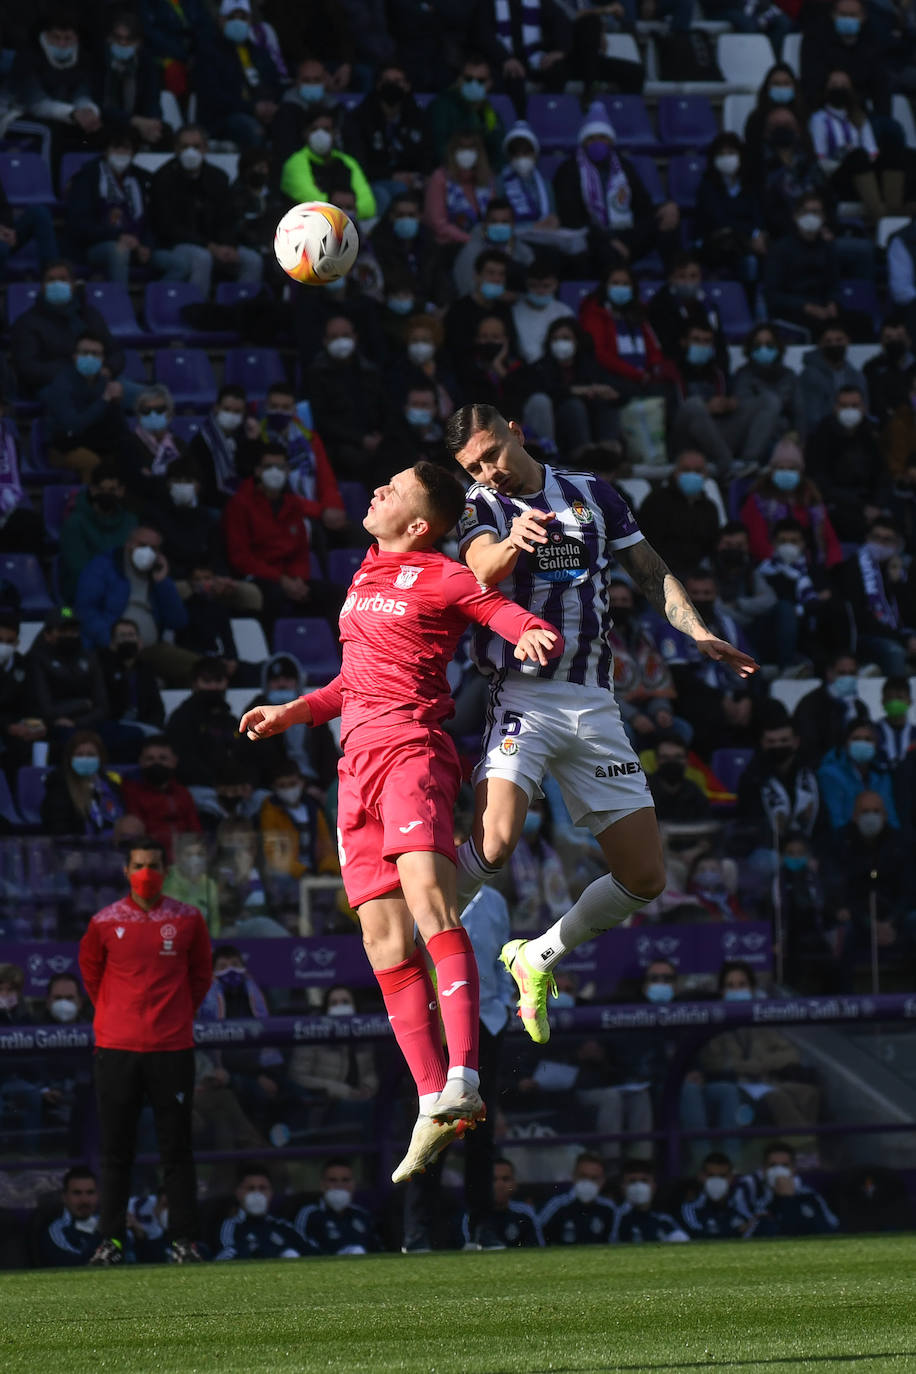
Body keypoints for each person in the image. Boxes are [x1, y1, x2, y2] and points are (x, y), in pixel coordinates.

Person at [238, 461, 563, 1184]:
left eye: (391, 489)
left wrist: (532, 629)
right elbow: (352, 681)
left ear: (419, 524)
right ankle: (430, 1098)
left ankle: (466, 1076)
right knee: (384, 943)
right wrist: (292, 711)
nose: (375, 490)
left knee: (431, 906)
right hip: (353, 769)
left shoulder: (440, 573)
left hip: (411, 751)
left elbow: (494, 608)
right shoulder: (363, 573)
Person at [446, 404, 758, 1046]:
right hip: (521, 695)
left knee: (645, 877)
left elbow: (648, 571)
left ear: (515, 432)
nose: (487, 471)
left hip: (594, 702)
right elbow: (478, 571)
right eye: (473, 466)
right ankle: (416, 932)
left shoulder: (592, 494)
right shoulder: (479, 508)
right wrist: (513, 543)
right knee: (496, 839)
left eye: (491, 454)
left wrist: (697, 631)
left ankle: (535, 957)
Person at [78, 835, 211, 1265]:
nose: (146, 874)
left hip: (171, 1047)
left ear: (165, 870)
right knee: (117, 1150)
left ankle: (183, 1240)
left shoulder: (189, 919)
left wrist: (171, 1017)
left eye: (153, 864)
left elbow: (200, 976)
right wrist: (119, 1016)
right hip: (116, 1048)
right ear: (125, 870)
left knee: (177, 1148)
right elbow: (92, 977)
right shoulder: (103, 922)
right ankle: (111, 1240)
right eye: (138, 865)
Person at [554, 102, 679, 274]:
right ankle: (616, 289)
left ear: (610, 141)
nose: (597, 143)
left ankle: (677, 279)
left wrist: (665, 207)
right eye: (591, 138)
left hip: (625, 232)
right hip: (592, 237)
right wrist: (609, 240)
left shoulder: (623, 167)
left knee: (667, 221)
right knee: (607, 252)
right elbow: (572, 217)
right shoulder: (569, 170)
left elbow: (642, 206)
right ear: (583, 142)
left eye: (602, 138)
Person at [223, 446, 340, 627]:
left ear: (287, 470)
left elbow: (300, 551)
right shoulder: (240, 504)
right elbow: (241, 558)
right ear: (258, 470)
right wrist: (281, 580)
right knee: (274, 596)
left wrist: (298, 580)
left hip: (290, 578)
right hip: (257, 576)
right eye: (269, 466)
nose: (275, 472)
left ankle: (338, 651)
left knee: (335, 594)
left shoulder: (292, 504)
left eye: (280, 467)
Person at [149, 125, 263, 297]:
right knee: (202, 258)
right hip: (176, 245)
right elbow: (167, 227)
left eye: (196, 147)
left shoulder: (218, 177)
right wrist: (209, 247)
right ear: (176, 149)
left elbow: (227, 218)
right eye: (184, 147)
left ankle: (239, 312)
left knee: (252, 260)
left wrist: (228, 245)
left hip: (215, 245)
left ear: (206, 149)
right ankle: (195, 312)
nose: (190, 152)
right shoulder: (163, 178)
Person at [75, 525, 195, 687]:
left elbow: (178, 621)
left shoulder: (158, 575)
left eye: (154, 548)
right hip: (112, 648)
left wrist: (162, 582)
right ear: (129, 544)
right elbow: (85, 611)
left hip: (151, 649)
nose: (148, 552)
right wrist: (111, 640)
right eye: (142, 545)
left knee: (203, 669)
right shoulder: (102, 567)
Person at [65, 128, 156, 286]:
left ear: (133, 152)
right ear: (106, 151)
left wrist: (146, 245)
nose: (121, 153)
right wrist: (117, 236)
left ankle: (157, 303)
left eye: (126, 148)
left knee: (177, 264)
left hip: (137, 245)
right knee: (119, 251)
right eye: (116, 148)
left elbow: (151, 220)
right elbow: (80, 224)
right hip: (96, 245)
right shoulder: (88, 177)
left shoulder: (141, 179)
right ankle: (121, 305)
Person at [306, 316, 389, 481]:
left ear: (355, 337)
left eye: (345, 335)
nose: (341, 341)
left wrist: (381, 436)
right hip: (339, 444)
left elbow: (385, 408)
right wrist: (360, 439)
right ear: (325, 341)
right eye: (334, 337)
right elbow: (321, 419)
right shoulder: (316, 374)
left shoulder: (370, 371)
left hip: (375, 439)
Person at [42, 332, 132, 481]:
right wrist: (104, 400)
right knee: (92, 463)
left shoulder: (103, 383)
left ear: (103, 359)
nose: (90, 357)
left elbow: (118, 425)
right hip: (64, 447)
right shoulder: (62, 384)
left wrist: (115, 403)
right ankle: (90, 502)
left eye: (95, 354)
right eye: (85, 353)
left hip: (96, 442)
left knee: (126, 456)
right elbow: (72, 425)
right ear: (75, 356)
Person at [740, 439, 843, 567]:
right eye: (781, 468)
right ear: (771, 471)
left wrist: (833, 567)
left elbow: (829, 538)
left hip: (811, 565)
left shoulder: (812, 500)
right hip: (770, 565)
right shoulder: (758, 500)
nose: (786, 472)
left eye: (792, 468)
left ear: (800, 472)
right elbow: (756, 541)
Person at [195, 1, 281, 149]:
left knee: (288, 122)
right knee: (251, 129)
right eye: (232, 17)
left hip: (262, 113)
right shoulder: (208, 53)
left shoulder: (259, 52)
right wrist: (252, 108)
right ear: (221, 20)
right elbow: (212, 96)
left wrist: (270, 105)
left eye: (243, 18)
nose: (238, 22)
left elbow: (274, 83)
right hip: (224, 118)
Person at [805, 384, 886, 541]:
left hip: (869, 501)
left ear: (863, 407)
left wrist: (877, 505)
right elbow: (819, 480)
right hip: (837, 502)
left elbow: (882, 474)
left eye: (854, 405)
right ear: (835, 407)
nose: (850, 410)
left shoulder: (871, 432)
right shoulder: (821, 434)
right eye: (844, 406)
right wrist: (861, 506)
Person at [840, 517, 913, 676]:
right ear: (867, 538)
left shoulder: (900, 572)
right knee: (894, 652)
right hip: (867, 636)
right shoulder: (854, 567)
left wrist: (898, 584)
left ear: (896, 545)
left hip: (899, 634)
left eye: (887, 540)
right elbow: (859, 615)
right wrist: (904, 640)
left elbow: (909, 615)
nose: (880, 543)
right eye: (876, 538)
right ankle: (895, 696)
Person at [281, 105, 377, 221]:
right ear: (305, 133)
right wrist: (348, 210)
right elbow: (313, 203)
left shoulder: (348, 162)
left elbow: (369, 206)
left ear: (335, 133)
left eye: (326, 129)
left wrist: (340, 213)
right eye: (314, 129)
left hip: (348, 224)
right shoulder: (295, 163)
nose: (320, 134)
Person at [695, 134, 766, 285]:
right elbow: (719, 220)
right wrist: (750, 234)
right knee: (747, 258)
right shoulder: (707, 186)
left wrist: (758, 233)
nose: (727, 158)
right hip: (718, 244)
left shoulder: (750, 185)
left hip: (749, 242)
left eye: (731, 153)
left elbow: (758, 215)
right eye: (721, 154)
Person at [59, 464, 137, 604]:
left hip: (123, 598)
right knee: (62, 616)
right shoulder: (74, 523)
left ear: (121, 491)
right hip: (77, 601)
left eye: (112, 490)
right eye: (101, 489)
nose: (107, 494)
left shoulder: (131, 522)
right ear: (93, 490)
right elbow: (78, 569)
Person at [28, 611, 109, 742]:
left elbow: (102, 706)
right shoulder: (37, 659)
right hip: (51, 725)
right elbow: (45, 709)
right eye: (63, 630)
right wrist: (83, 704)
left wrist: (78, 722)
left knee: (133, 734)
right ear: (47, 634)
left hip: (86, 722)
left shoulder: (89, 658)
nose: (70, 635)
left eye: (74, 630)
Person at [637, 451, 722, 577]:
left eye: (698, 471)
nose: (692, 475)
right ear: (676, 472)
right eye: (686, 470)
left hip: (698, 574)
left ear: (705, 475)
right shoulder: (656, 501)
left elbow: (711, 545)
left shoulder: (709, 507)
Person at [121, 736, 202, 860]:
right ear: (141, 762)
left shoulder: (183, 793)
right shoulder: (131, 792)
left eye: (163, 758)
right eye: (150, 759)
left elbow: (195, 831)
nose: (156, 763)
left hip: (186, 858)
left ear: (174, 762)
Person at [738, 1143, 840, 1237]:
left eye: (785, 1165)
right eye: (773, 1165)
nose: (778, 1170)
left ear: (793, 1169)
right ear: (764, 1169)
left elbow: (829, 1228)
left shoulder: (809, 1196)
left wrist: (789, 1199)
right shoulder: (754, 1196)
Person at [216, 1166, 311, 1260]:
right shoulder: (230, 1226)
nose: (257, 1194)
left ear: (271, 1192)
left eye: (262, 1188)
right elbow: (225, 1256)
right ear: (238, 1192)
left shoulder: (281, 1225)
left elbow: (312, 1250)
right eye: (250, 1188)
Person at [818, 721, 899, 830]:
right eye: (856, 739)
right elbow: (835, 819)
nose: (862, 744)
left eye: (868, 739)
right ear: (845, 743)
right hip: (846, 840)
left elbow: (890, 816)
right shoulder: (829, 774)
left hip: (880, 841)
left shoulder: (882, 776)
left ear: (876, 745)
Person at [428, 55, 505, 169]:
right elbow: (438, 149)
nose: (474, 84)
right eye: (468, 79)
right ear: (459, 79)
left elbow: (498, 151)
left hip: (481, 177)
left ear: (489, 84)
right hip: (449, 172)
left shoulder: (489, 112)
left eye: (480, 81)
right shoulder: (442, 106)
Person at [295, 1159, 381, 1255]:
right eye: (333, 1180)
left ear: (353, 1184)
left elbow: (378, 1250)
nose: (339, 1185)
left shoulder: (362, 1215)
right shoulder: (309, 1214)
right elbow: (301, 1248)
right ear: (322, 1184)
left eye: (345, 1180)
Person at [424, 131, 496, 248]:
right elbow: (438, 224)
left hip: (484, 242)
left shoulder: (487, 178)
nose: (467, 153)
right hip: (451, 245)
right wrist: (469, 240)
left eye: (471, 148)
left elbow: (494, 217)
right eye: (462, 148)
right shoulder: (440, 178)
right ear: (452, 152)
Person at [799, 324, 869, 438]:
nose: (834, 345)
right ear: (820, 344)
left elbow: (864, 409)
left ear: (848, 341)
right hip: (822, 436)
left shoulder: (857, 376)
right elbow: (811, 416)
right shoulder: (809, 375)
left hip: (856, 434)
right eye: (828, 341)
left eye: (839, 340)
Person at [733, 326, 803, 437]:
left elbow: (799, 413)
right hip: (753, 436)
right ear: (750, 348)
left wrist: (798, 437)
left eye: (769, 344)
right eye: (757, 344)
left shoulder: (789, 375)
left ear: (778, 347)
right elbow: (744, 412)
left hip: (785, 437)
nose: (763, 349)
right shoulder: (742, 375)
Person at [460, 1158, 544, 1250]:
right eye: (493, 1179)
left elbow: (536, 1249)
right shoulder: (472, 1216)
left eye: (505, 1179)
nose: (499, 1185)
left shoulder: (525, 1213)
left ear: (514, 1183)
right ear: (483, 1184)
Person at [538, 1153, 618, 1245]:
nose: (588, 1182)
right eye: (583, 1176)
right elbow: (539, 1239)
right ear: (574, 1176)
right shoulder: (556, 1205)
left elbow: (615, 1243)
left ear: (602, 1181)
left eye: (594, 1178)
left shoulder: (609, 1209)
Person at [38, 1167, 102, 1268]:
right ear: (64, 1197)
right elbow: (78, 1268)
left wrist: (135, 1228)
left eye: (90, 1193)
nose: (84, 1200)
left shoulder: (105, 1220)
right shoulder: (57, 1232)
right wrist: (108, 1236)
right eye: (77, 1193)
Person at [613, 1161, 690, 1243]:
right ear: (622, 1186)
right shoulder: (614, 1217)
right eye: (632, 1181)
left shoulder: (663, 1220)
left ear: (653, 1186)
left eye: (644, 1181)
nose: (638, 1186)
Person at [680, 1153, 746, 1240]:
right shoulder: (691, 1208)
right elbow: (696, 1236)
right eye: (711, 1176)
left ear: (731, 1178)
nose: (716, 1181)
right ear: (701, 1176)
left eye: (722, 1176)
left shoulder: (741, 1205)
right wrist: (737, 1232)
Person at [648, 736, 711, 823]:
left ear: (687, 761)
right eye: (665, 757)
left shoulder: (695, 792)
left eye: (678, 757)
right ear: (657, 761)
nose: (671, 762)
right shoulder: (644, 793)